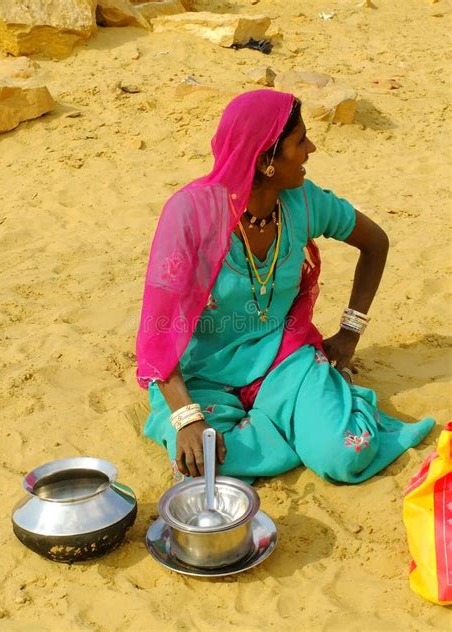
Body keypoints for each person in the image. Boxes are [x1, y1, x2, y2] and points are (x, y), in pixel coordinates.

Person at [136, 90, 434, 485]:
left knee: (344, 455)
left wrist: (350, 333)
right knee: (205, 459)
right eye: (299, 141)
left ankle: (306, 415)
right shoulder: (190, 214)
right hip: (202, 372)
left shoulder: (303, 202)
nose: (311, 148)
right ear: (265, 162)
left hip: (283, 358)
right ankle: (298, 419)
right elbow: (157, 330)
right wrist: (187, 417)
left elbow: (375, 242)